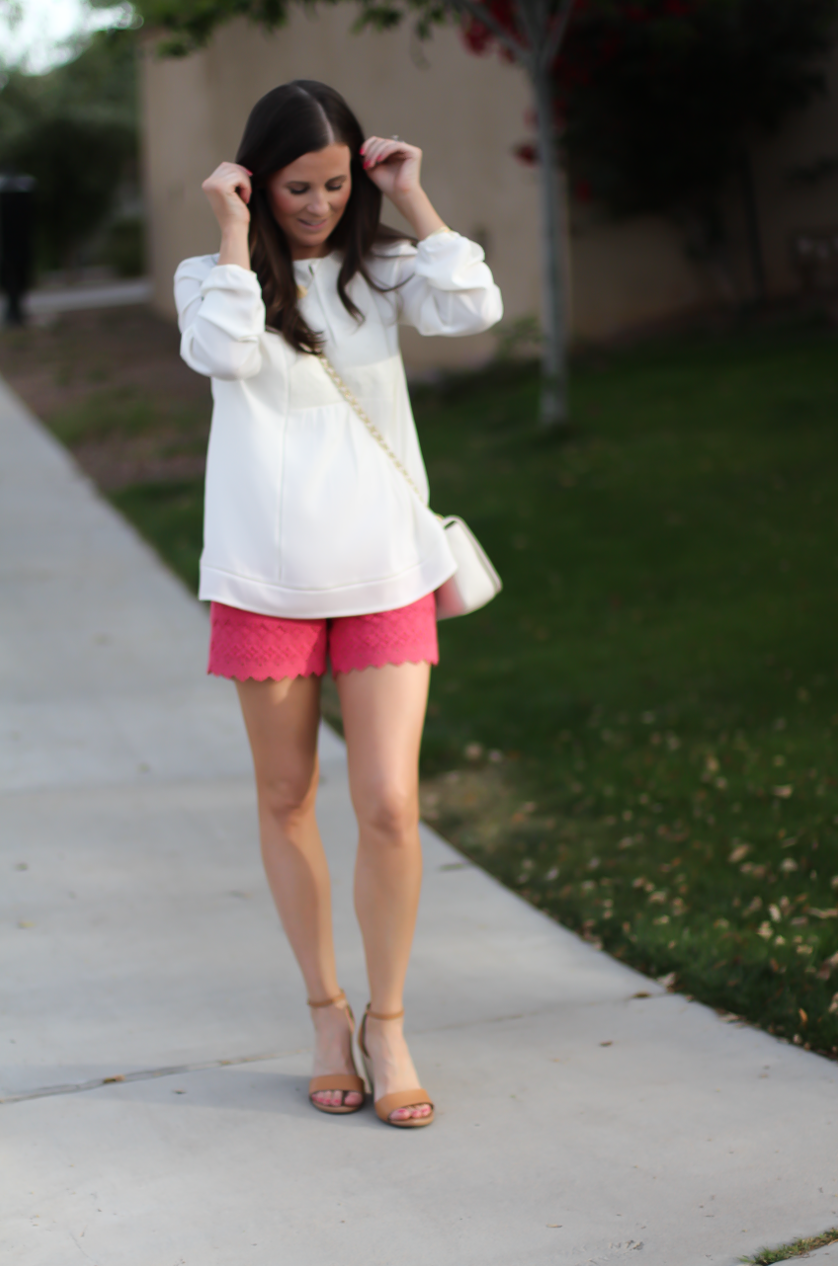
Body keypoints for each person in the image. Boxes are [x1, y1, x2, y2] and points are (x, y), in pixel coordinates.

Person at [174, 80, 502, 1128]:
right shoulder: (212, 280)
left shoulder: (382, 271)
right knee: (285, 800)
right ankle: (326, 1012)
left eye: (329, 183)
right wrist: (232, 231)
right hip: (266, 577)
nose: (313, 204)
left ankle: (389, 1020)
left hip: (384, 572)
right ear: (254, 181)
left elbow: (474, 305)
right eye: (291, 187)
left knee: (390, 805)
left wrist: (414, 199)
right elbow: (222, 354)